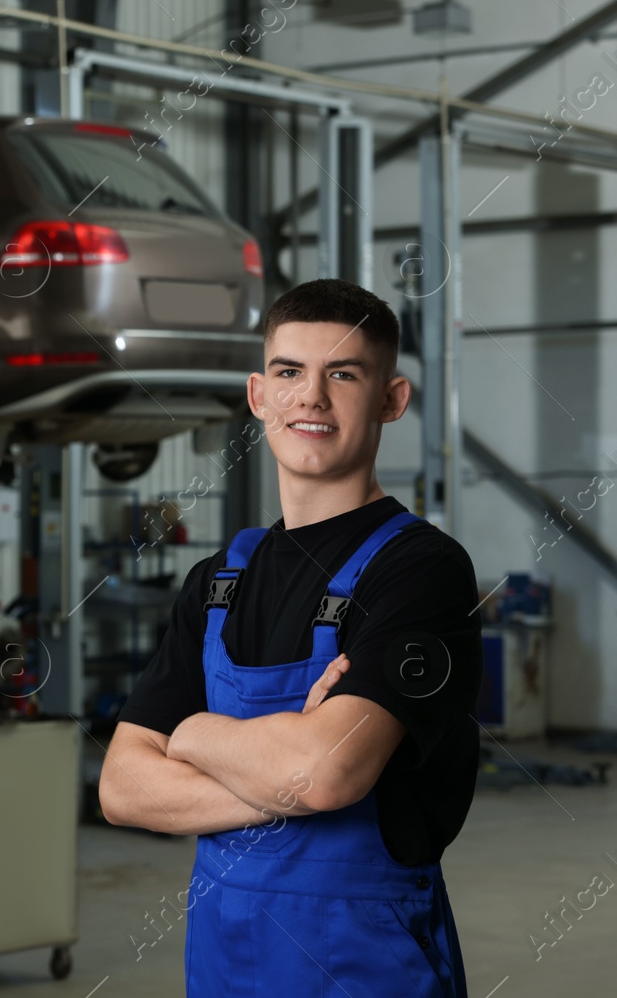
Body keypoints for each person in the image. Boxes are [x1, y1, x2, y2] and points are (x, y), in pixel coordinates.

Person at [100, 278, 481, 997]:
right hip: (222, 961)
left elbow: (327, 774)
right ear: (258, 396)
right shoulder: (217, 581)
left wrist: (192, 733)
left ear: (392, 399)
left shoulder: (422, 571)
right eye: (289, 372)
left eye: (343, 373)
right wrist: (285, 772)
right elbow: (121, 786)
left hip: (364, 966)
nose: (311, 397)